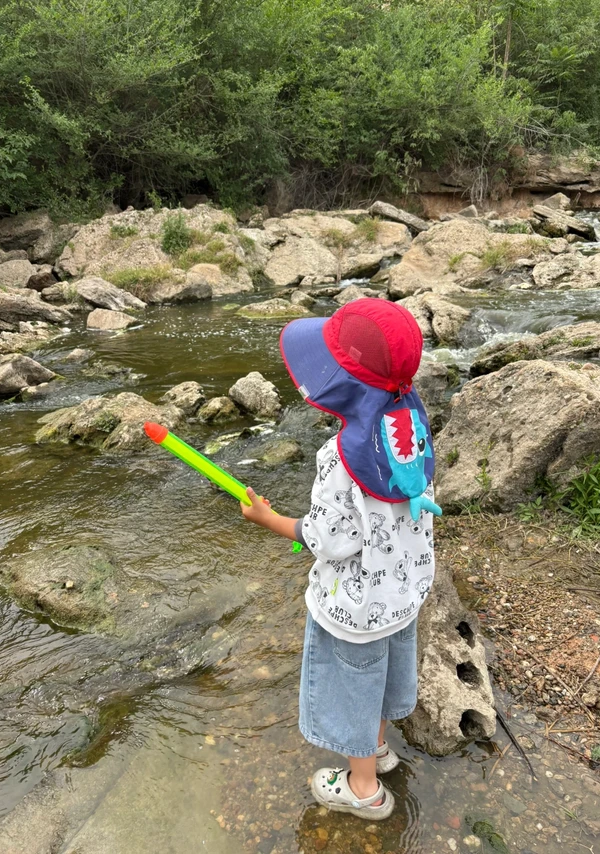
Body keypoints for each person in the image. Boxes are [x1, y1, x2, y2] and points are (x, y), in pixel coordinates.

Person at [240, 298, 441, 820]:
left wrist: (269, 520)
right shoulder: (410, 433)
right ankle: (375, 750)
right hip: (401, 595)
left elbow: (327, 540)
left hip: (353, 607)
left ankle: (363, 789)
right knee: (378, 674)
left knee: (352, 685)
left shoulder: (341, 459)